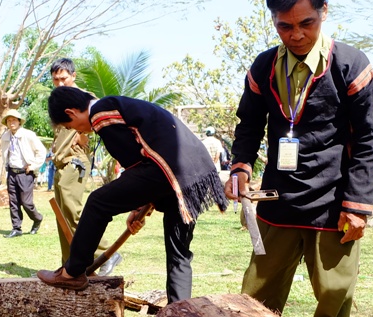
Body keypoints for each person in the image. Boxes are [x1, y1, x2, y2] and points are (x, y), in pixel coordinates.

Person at [224, 0, 373, 317]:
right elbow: (248, 123)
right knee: (255, 296)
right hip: (278, 200)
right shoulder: (263, 67)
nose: (295, 34)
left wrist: (358, 206)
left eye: (305, 23)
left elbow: (369, 138)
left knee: (334, 295)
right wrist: (241, 166)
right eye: (284, 26)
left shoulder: (351, 66)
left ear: (324, 11)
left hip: (334, 203)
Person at [37, 87, 229, 302]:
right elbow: (142, 165)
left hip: (168, 169)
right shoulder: (120, 105)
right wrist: (139, 206)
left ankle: (72, 273)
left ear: (71, 113)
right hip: (195, 174)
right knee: (178, 254)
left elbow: (134, 164)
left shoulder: (100, 113)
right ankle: (179, 314)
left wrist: (138, 203)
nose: (77, 131)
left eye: (69, 126)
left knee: (98, 202)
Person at [49, 58, 122, 275]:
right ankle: (69, 264)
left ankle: (106, 252)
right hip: (61, 161)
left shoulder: (84, 97)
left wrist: (83, 133)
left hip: (76, 160)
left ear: (73, 76)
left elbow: (100, 111)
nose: (60, 83)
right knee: (62, 214)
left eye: (64, 78)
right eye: (55, 80)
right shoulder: (58, 100)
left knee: (74, 211)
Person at [0, 109, 46, 238]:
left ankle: (37, 218)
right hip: (12, 172)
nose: (11, 123)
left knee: (26, 203)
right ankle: (16, 228)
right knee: (13, 202)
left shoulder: (28, 135)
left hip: (25, 173)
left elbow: (41, 151)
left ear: (19, 121)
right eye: (9, 120)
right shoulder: (6, 136)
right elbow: (5, 153)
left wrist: (34, 165)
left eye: (14, 120)